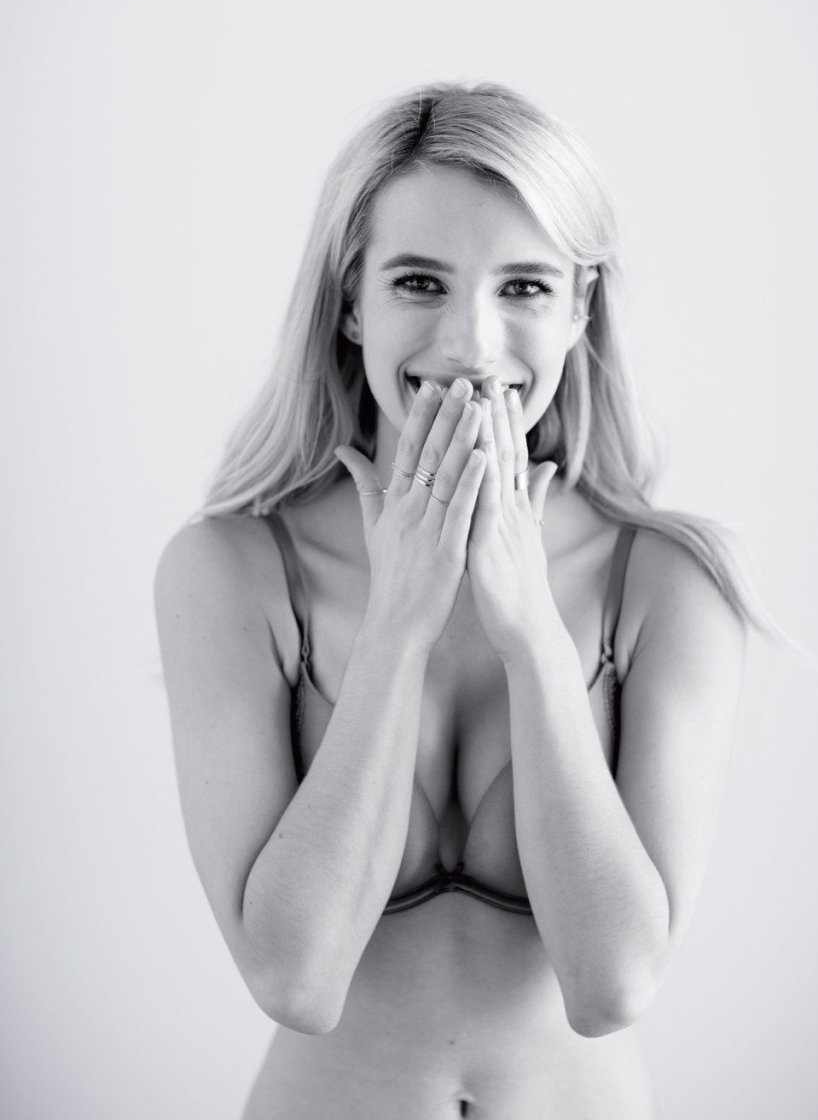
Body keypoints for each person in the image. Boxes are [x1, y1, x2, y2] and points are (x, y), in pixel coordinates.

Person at [155, 83, 757, 1119]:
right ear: (353, 300)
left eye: (523, 286)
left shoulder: (668, 582)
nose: (471, 344)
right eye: (419, 282)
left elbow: (612, 984)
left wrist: (529, 632)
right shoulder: (230, 569)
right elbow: (295, 979)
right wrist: (399, 620)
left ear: (579, 307)